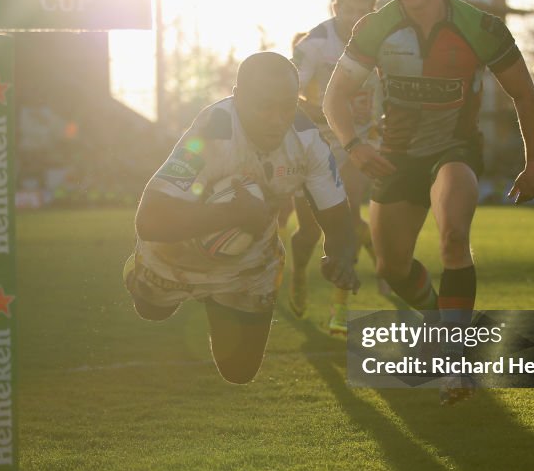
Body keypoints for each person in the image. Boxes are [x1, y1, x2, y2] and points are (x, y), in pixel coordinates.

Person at [322, 0, 534, 403]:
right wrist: (355, 144)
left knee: (453, 237)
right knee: (392, 267)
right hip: (396, 157)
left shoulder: (481, 28)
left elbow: (524, 94)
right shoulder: (376, 27)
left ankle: (456, 360)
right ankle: (441, 323)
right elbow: (334, 97)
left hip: (454, 151)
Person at [124, 52, 359, 384]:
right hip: (175, 253)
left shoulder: (308, 140)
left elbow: (338, 219)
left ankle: (217, 299)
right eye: (265, 106)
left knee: (239, 372)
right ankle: (148, 276)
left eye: (287, 106)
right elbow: (150, 220)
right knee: (152, 311)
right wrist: (232, 214)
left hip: (249, 262)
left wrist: (341, 257)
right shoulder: (212, 131)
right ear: (238, 97)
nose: (278, 119)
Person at [289, 0, 389, 337]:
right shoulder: (314, 44)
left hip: (360, 142)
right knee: (309, 231)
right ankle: (299, 273)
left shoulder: (383, 45)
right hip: (316, 141)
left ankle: (340, 309)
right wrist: (321, 108)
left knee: (347, 214)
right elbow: (289, 89)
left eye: (364, 11)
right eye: (349, 10)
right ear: (336, 8)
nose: (356, 18)